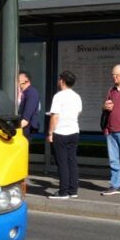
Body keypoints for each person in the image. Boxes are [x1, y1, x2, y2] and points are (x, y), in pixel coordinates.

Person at [47, 71, 82, 200]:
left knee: (62, 162)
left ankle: (63, 192)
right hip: (74, 131)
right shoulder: (77, 96)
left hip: (60, 132)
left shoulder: (58, 96)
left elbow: (54, 116)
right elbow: (78, 113)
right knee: (72, 161)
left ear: (62, 81)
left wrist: (50, 132)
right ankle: (73, 190)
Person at [101, 64, 120, 196]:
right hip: (111, 130)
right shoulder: (111, 90)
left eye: (116, 74)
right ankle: (115, 185)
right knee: (114, 160)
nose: (114, 77)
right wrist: (105, 107)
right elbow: (106, 107)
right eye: (113, 74)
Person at [16, 71, 40, 139]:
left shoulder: (32, 93)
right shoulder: (22, 93)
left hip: (26, 130)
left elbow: (26, 119)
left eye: (18, 79)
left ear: (26, 80)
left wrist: (13, 129)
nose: (17, 81)